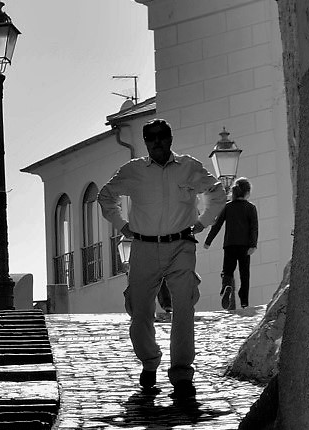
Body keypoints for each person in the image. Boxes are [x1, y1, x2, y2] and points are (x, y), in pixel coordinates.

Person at [99, 118, 227, 411]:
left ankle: (182, 374)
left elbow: (217, 192)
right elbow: (106, 196)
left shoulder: (188, 167)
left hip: (181, 245)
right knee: (139, 310)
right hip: (143, 247)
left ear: (170, 138)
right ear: (145, 142)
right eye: (151, 137)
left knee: (184, 306)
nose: (156, 141)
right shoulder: (133, 171)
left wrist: (202, 223)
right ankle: (149, 361)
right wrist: (122, 225)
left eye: (161, 135)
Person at [204, 176, 258, 311]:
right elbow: (254, 228)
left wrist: (208, 241)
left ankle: (226, 286)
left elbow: (217, 225)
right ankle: (244, 301)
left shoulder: (228, 207)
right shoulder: (251, 208)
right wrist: (253, 245)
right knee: (244, 273)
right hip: (245, 246)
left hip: (229, 244)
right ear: (247, 192)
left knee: (227, 270)